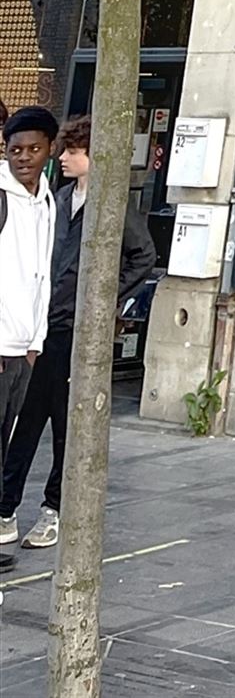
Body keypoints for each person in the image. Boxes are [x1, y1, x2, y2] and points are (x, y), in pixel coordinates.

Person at [0, 115, 158, 551]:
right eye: (65, 150)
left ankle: (53, 509)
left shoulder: (110, 204)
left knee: (66, 425)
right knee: (25, 422)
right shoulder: (56, 199)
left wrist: (102, 300)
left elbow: (143, 256)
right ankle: (6, 508)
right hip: (42, 330)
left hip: (77, 332)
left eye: (74, 151)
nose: (66, 158)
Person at [0, 107, 59, 576]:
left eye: (33, 149)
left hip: (25, 347)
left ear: (50, 150)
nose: (23, 157)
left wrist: (36, 339)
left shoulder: (46, 200)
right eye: (15, 149)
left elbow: (41, 274)